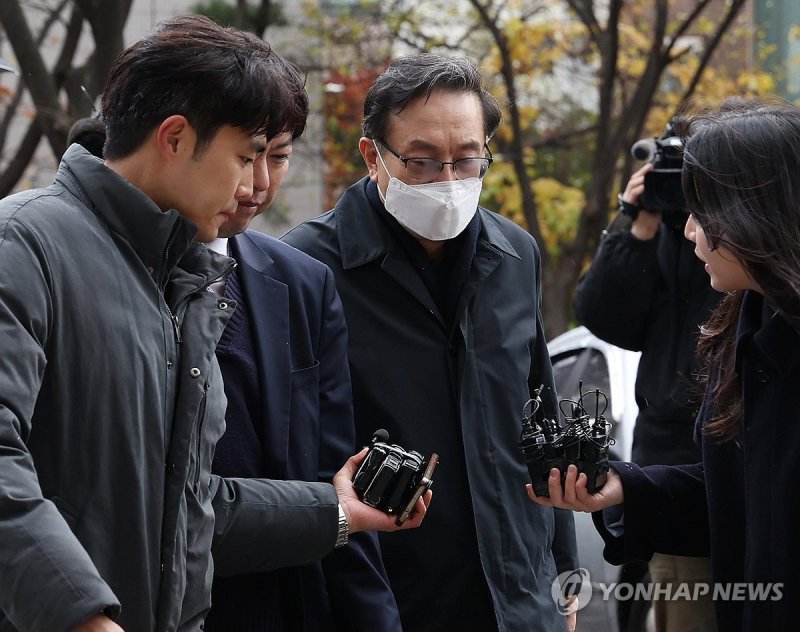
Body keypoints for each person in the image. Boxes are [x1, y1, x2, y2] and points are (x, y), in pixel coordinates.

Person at [0, 15, 427, 632]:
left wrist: (337, 509)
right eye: (247, 155)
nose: (257, 184)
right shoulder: (23, 241)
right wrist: (83, 617)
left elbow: (185, 507)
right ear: (174, 137)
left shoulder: (182, 275)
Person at [283, 54, 579, 632]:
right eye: (421, 162)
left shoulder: (514, 255)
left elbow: (540, 420)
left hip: (519, 598)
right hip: (388, 598)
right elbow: (293, 454)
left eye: (467, 160)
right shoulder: (306, 267)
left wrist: (563, 573)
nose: (447, 182)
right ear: (374, 156)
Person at [531, 98, 800, 631]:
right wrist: (627, 488)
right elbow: (741, 496)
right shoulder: (744, 322)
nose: (689, 229)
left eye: (704, 209)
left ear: (758, 212)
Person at [202, 54, 401, 631]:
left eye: (280, 156)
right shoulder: (110, 272)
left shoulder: (301, 282)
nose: (259, 182)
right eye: (248, 155)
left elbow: (334, 474)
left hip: (283, 599)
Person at [573, 160, 721, 631]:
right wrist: (638, 220)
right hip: (672, 475)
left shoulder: (756, 279)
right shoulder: (667, 240)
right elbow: (604, 316)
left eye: (704, 198)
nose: (694, 226)